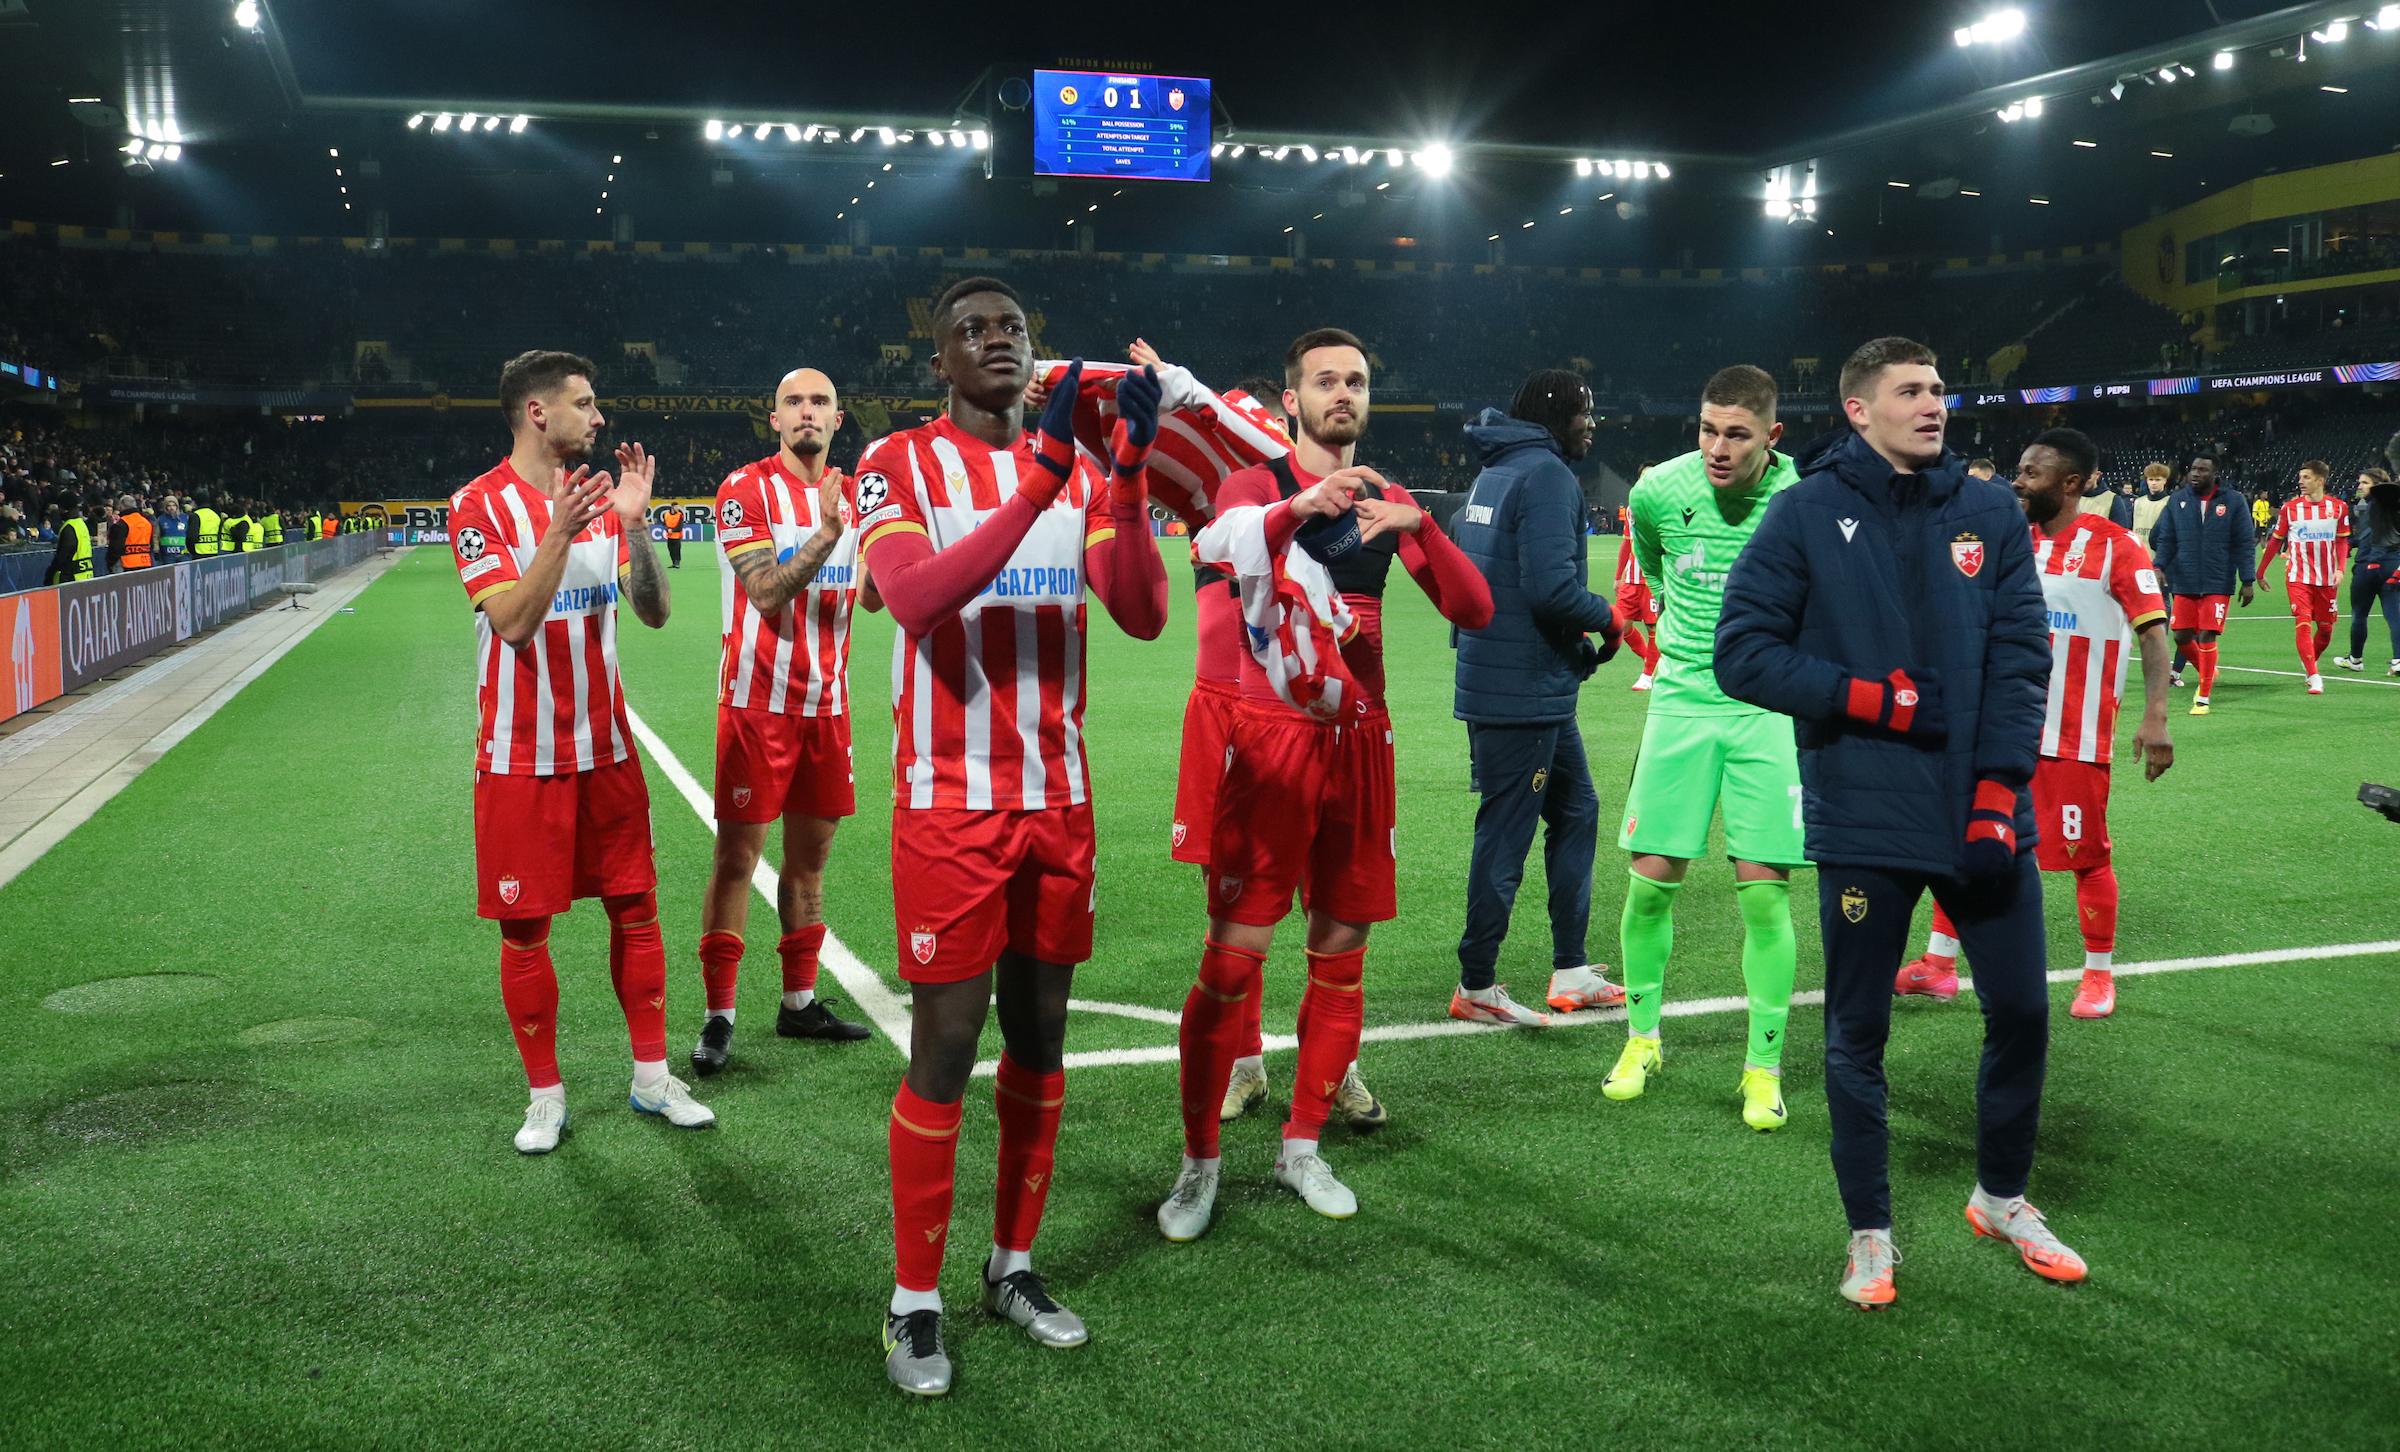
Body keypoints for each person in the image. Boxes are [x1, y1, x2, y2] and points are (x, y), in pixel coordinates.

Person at [852, 277, 1169, 1396]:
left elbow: (1139, 610)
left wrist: (1123, 474)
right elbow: (916, 597)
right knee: (945, 1050)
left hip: (1059, 800)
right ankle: (912, 1303)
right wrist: (1039, 484)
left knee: (1041, 1043)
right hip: (951, 803)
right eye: (971, 333)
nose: (996, 343)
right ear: (940, 363)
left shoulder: (1080, 472)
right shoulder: (896, 465)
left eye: (1013, 330)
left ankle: (1013, 1266)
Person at [1716, 336, 2080, 1308]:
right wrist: (1871, 699)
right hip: (1866, 819)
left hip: (1983, 817)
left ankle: (2002, 1196)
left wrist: (2003, 793)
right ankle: (1869, 1233)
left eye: (1938, 387)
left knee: (2025, 1011)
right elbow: (1741, 653)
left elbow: (2020, 657)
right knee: (1856, 1033)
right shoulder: (1805, 513)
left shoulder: (1991, 511)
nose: (1934, 404)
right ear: (1858, 408)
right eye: (1911, 390)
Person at [1163, 325, 1490, 1240]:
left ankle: (1304, 1145)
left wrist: (1422, 525)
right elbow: (1226, 564)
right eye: (1325, 382)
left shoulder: (1383, 496)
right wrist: (1304, 506)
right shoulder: (1253, 487)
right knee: (1230, 961)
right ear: (1290, 396)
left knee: (1341, 957)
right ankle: (1199, 1164)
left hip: (1360, 743)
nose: (1342, 395)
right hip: (1270, 737)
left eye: (1356, 381)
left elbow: (1473, 609)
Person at [447, 350, 709, 1159]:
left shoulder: (602, 502)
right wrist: (559, 531)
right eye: (585, 404)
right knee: (526, 932)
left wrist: (633, 526)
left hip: (607, 752)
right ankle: (545, 1096)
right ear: (537, 412)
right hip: (521, 758)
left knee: (636, 911)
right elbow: (514, 622)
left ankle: (652, 1077)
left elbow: (656, 614)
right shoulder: (476, 507)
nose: (599, 420)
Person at [1139, 364, 1391, 1129]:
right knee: (1234, 906)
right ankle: (1245, 1061)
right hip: (1228, 714)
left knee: (1337, 897)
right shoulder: (1229, 505)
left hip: (1323, 714)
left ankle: (1334, 1062)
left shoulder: (1321, 500)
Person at [1898, 427, 2175, 1021]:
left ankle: (2098, 976)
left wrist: (2156, 716)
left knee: (2085, 857)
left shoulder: (2118, 547)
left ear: (2070, 483)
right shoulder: (2004, 538)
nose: (2016, 481)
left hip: (2072, 734)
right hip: (1992, 726)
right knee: (1964, 840)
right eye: (2017, 471)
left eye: (2030, 473)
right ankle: (1939, 965)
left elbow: (2153, 630)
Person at [1608, 365, 1807, 1132]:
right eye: (1707, 429)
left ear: (1771, 436)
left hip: (1768, 710)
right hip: (1684, 699)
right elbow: (1655, 567)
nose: (1718, 448)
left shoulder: (1804, 502)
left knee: (1764, 893)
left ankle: (1763, 1068)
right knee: (1650, 882)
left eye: (1737, 434)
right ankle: (1641, 1041)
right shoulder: (1659, 490)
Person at [689, 367, 874, 1078]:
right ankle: (719, 1014)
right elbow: (765, 591)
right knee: (737, 859)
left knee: (810, 862)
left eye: (819, 402)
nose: (806, 413)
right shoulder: (745, 489)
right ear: (774, 419)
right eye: (793, 402)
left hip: (827, 708)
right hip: (756, 706)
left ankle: (799, 1002)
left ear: (838, 417)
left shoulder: (858, 495)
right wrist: (829, 534)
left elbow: (877, 596)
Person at [1448, 370, 1625, 1031]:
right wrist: (1609, 620)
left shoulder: (1495, 473)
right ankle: (1477, 983)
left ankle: (1572, 969)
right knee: (1506, 831)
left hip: (1513, 680)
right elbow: (1552, 591)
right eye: (1586, 412)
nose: (1591, 425)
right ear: (1557, 415)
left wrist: (1575, 655)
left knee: (1577, 809)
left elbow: (1490, 583)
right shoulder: (1547, 476)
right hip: (1521, 692)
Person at [2147, 451, 2256, 715]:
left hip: (2218, 579)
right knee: (2181, 635)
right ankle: (2210, 670)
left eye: (2202, 470)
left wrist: (2248, 579)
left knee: (2207, 634)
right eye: (2193, 469)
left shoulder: (2233, 501)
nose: (2196, 474)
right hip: (2184, 578)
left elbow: (2244, 541)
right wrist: (2159, 565)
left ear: (2215, 473)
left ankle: (2203, 697)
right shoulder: (2178, 500)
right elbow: (2167, 538)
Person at [2256, 460, 2350, 695]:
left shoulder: (2339, 507)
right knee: (2303, 623)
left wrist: (2341, 568)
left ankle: (2309, 661)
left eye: (2306, 477)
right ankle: (2314, 675)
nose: (2301, 481)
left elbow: (2341, 539)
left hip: (2327, 578)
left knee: (2326, 630)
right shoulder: (2290, 508)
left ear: (2320, 480)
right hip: (2298, 575)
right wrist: (2261, 571)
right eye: (2300, 477)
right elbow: (2277, 540)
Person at [2332, 468, 2400, 674]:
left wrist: (2371, 562)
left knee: (2359, 615)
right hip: (2393, 563)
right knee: (2394, 614)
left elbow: (2373, 539)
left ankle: (2355, 659)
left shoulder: (2375, 506)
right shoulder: (2394, 506)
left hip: (2369, 565)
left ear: (2377, 486)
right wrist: (2351, 542)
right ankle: (2398, 659)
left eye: (2365, 483)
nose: (2359, 486)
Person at [1612, 480, 1663, 691]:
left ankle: (1648, 675)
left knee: (1653, 627)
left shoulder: (1664, 506)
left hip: (1653, 578)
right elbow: (1626, 542)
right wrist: (1618, 576)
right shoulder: (1632, 508)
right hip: (1632, 579)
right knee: (1619, 626)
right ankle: (1648, 658)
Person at [43, 502, 95, 584]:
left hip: (71, 576)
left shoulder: (69, 527)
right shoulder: (81, 524)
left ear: (65, 509)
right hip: (86, 573)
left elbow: (63, 554)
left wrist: (50, 574)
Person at [2129, 463, 2172, 553]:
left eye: (2158, 480)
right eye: (2151, 479)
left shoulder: (2170, 503)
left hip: (2158, 555)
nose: (2154, 483)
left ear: (2165, 481)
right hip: (2138, 553)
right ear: (2146, 481)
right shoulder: (2138, 502)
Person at [110, 494, 152, 572]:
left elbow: (115, 548)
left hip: (126, 564)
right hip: (145, 562)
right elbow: (151, 544)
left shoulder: (121, 524)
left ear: (121, 507)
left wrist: (110, 564)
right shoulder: (146, 522)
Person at [156, 496, 188, 563]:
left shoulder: (185, 518)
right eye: (169, 506)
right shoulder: (161, 519)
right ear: (165, 507)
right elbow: (156, 536)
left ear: (177, 506)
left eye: (173, 505)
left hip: (183, 554)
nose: (171, 508)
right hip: (167, 554)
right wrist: (156, 550)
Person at [659, 501, 685, 568]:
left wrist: (672, 530)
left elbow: (680, 526)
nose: (678, 508)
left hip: (677, 535)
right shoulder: (666, 514)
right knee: (671, 549)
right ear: (672, 507)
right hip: (669, 535)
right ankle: (673, 562)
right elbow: (664, 523)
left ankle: (677, 562)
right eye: (676, 507)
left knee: (677, 549)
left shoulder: (680, 515)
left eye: (678, 507)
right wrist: (667, 529)